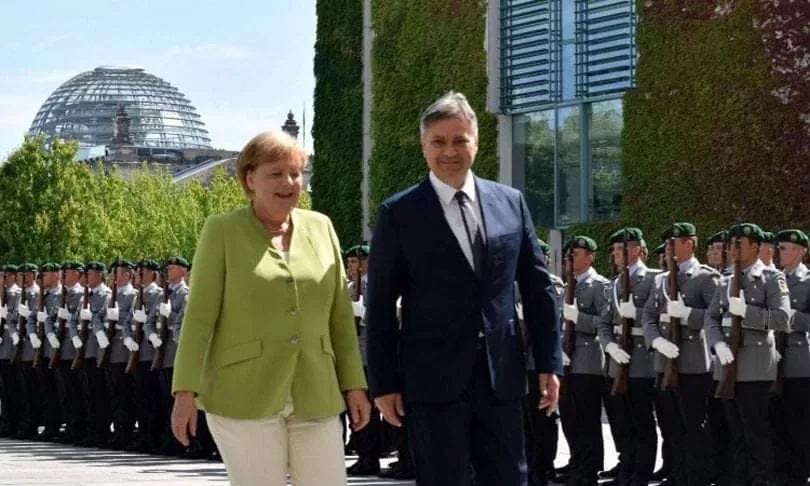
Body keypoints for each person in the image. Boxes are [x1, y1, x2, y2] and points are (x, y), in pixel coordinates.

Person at [366, 91, 562, 486]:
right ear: (423, 146)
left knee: (510, 478)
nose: (449, 151)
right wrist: (384, 384)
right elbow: (381, 305)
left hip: (500, 377)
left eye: (459, 140)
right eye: (438, 141)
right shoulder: (398, 213)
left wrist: (549, 362)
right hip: (433, 382)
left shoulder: (510, 202)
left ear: (476, 141)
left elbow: (538, 288)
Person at [170, 130, 370, 486]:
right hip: (244, 393)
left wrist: (354, 385)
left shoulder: (321, 227)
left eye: (295, 173)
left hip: (315, 389)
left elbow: (340, 318)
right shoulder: (222, 231)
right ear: (250, 179)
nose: (288, 183)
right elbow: (199, 319)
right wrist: (185, 392)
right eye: (276, 173)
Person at [705, 223, 790, 486]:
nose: (733, 249)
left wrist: (746, 312)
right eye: (731, 244)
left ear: (755, 246)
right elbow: (711, 317)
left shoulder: (771, 278)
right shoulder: (726, 279)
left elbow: (783, 318)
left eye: (739, 244)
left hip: (754, 366)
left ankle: (761, 480)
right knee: (735, 431)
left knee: (755, 431)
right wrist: (717, 344)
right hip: (727, 364)